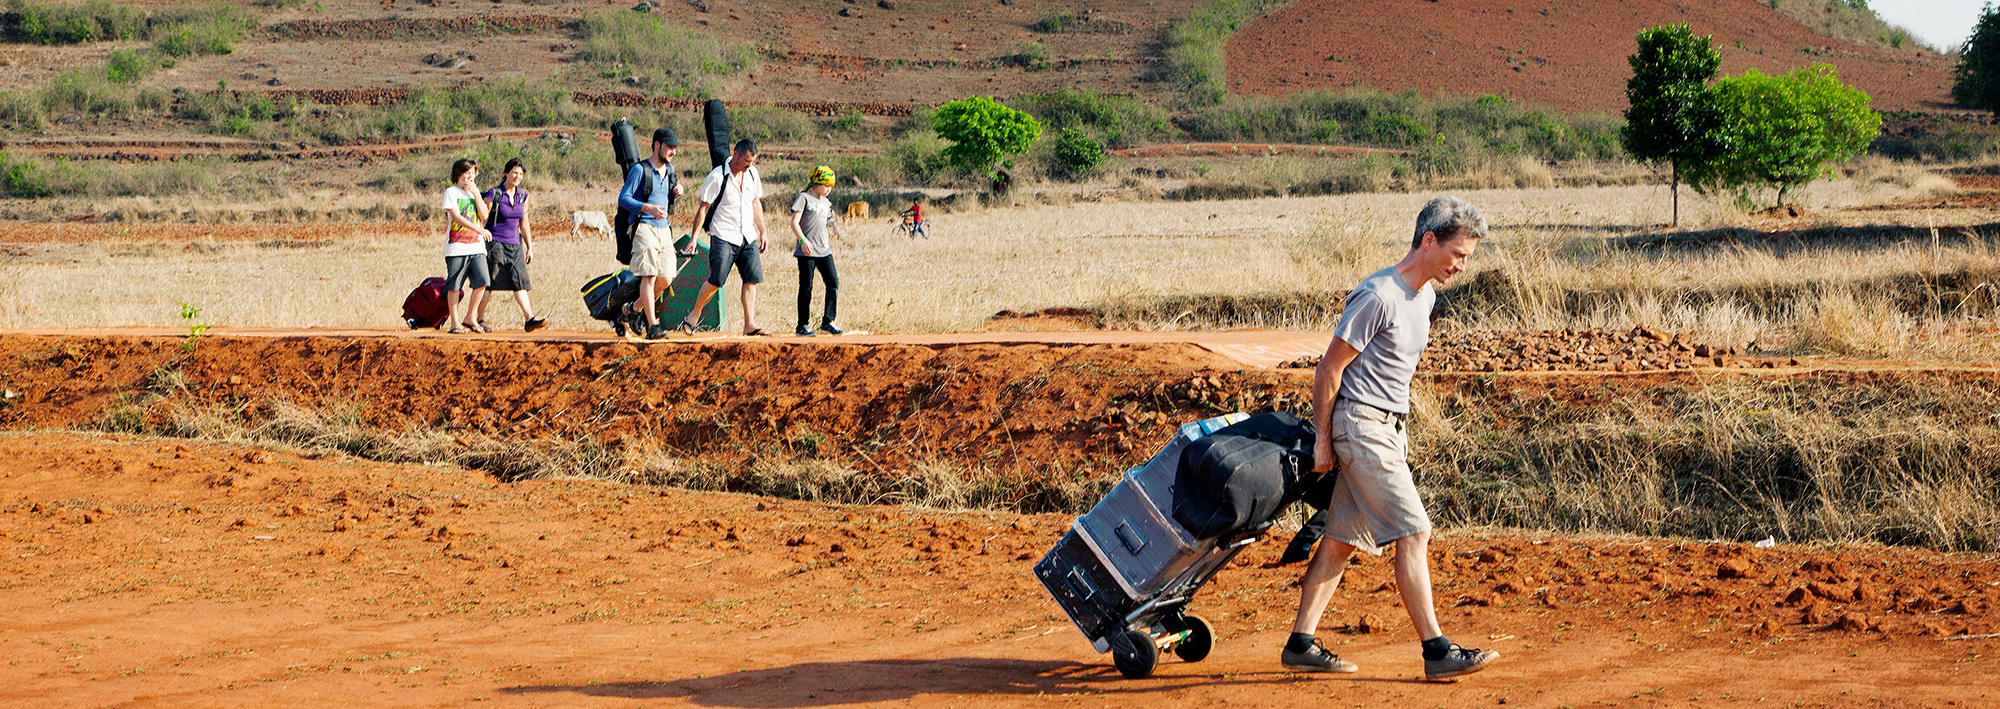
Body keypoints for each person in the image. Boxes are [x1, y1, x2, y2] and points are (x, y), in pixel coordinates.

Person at [1282, 195, 1500, 682]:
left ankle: (1300, 643)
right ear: (1429, 240)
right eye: (1459, 254)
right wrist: (1324, 440)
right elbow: (1329, 370)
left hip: (1388, 429)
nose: (1463, 266)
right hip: (1360, 428)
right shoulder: (1377, 295)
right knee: (1415, 531)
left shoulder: (1425, 297)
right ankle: (1437, 651)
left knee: (1340, 541)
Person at [682, 139, 768, 336]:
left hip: (746, 235)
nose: (749, 165)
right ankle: (693, 316)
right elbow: (703, 209)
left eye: (752, 161)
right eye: (747, 161)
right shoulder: (717, 176)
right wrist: (694, 238)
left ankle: (749, 324)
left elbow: (755, 203)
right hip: (723, 235)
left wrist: (762, 231)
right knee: (716, 280)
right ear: (735, 154)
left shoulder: (752, 174)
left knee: (751, 279)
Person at [615, 128, 687, 340]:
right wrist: (647, 208)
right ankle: (653, 326)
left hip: (664, 228)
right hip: (643, 227)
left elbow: (666, 198)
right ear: (657, 145)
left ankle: (633, 309)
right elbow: (623, 198)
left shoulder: (670, 170)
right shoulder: (640, 170)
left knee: (666, 278)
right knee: (650, 275)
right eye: (670, 147)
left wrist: (676, 192)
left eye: (675, 148)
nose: (673, 151)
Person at [475, 157, 547, 332]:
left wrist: (530, 247)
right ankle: (479, 319)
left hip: (515, 245)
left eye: (520, 174)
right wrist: (478, 241)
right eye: (514, 172)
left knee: (519, 282)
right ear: (506, 173)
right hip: (495, 244)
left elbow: (524, 223)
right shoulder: (494, 194)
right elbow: (483, 219)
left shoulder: (523, 195)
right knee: (488, 283)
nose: (517, 176)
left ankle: (529, 319)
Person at [790, 165, 846, 337]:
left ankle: (828, 321)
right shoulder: (804, 198)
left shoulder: (826, 202)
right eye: (825, 185)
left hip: (824, 249)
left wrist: (837, 232)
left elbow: (829, 221)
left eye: (830, 186)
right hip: (807, 250)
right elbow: (794, 222)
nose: (828, 189)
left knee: (833, 282)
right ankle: (802, 325)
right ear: (816, 183)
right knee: (806, 287)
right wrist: (803, 240)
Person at [439, 157, 491, 334]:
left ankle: (470, 316)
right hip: (457, 246)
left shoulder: (475, 193)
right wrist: (478, 229)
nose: (468, 177)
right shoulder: (451, 192)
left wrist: (476, 193)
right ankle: (455, 322)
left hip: (476, 247)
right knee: (454, 284)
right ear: (457, 174)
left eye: (471, 173)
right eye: (465, 173)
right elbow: (456, 216)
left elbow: (484, 215)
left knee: (483, 280)